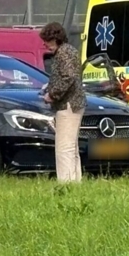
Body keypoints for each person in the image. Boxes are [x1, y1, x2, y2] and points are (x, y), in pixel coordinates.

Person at [39, 22, 85, 183]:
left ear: (55, 38)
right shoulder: (71, 50)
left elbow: (68, 77)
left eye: (47, 40)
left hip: (67, 105)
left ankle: (66, 185)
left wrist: (52, 94)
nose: (44, 44)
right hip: (76, 103)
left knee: (63, 148)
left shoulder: (63, 53)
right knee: (72, 148)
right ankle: (75, 182)